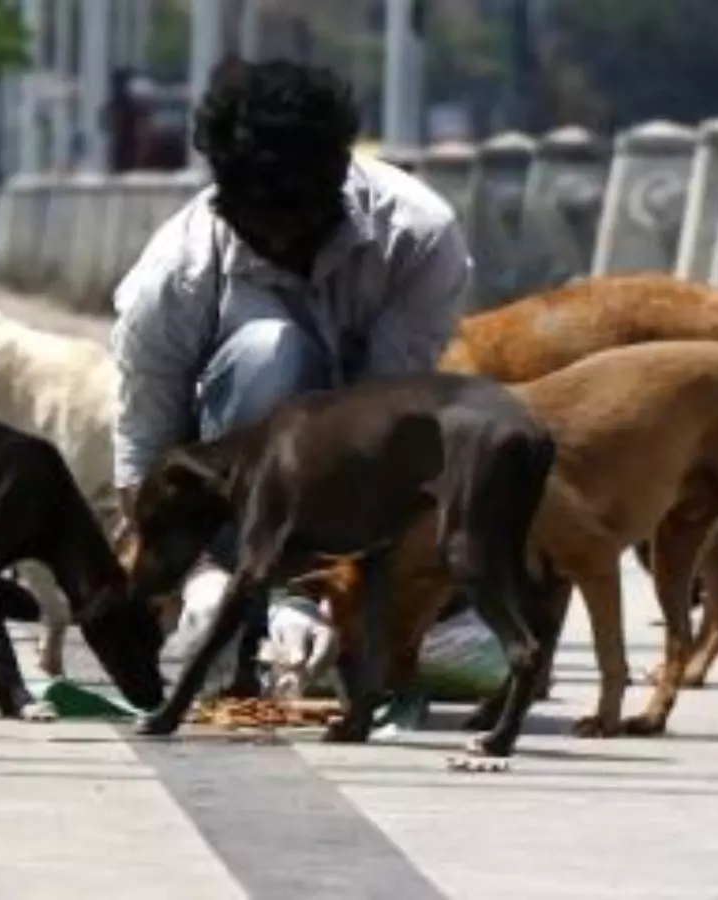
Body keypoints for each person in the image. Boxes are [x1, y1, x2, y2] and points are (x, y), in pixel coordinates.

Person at [110, 58, 473, 694]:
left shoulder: (418, 237)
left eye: (301, 232)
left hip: (361, 484)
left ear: (339, 181)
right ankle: (229, 609)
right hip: (225, 499)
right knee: (271, 351)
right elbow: (145, 445)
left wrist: (322, 591)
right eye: (263, 237)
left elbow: (381, 427)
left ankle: (308, 614)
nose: (283, 249)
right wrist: (189, 575)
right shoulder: (178, 269)